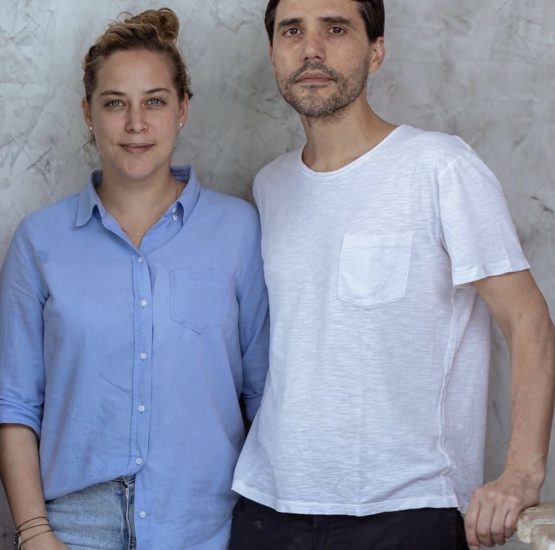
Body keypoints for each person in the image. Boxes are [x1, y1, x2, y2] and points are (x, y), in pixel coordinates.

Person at [230, 1, 555, 549]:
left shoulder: (439, 167)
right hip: (269, 507)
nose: (311, 49)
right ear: (273, 54)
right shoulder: (271, 186)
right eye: (292, 31)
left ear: (376, 51)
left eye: (336, 29)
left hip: (407, 510)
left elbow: (528, 321)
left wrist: (522, 473)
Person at [0, 8, 268, 550]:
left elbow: (264, 396)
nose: (136, 124)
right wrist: (33, 533)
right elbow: (15, 405)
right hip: (74, 528)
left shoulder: (239, 230)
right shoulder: (39, 240)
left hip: (206, 525)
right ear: (88, 113)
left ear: (182, 109)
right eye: (115, 103)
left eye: (155, 101)